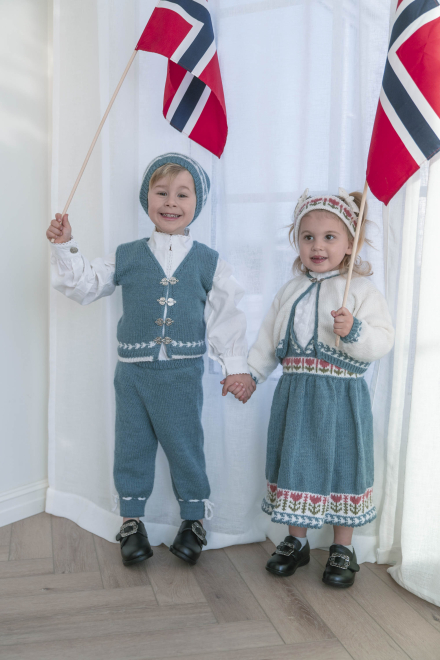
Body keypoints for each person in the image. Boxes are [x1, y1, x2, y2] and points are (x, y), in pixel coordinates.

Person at [47, 153, 255, 567]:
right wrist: (64, 245)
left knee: (184, 445)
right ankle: (131, 522)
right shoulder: (127, 255)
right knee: (132, 445)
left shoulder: (209, 261)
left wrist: (235, 367)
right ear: (147, 199)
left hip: (182, 372)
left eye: (183, 194)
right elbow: (84, 283)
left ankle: (194, 520)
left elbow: (226, 314)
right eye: (161, 192)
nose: (171, 202)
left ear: (198, 203)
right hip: (133, 373)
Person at [247, 188, 394, 587]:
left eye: (330, 237)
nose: (317, 246)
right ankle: (296, 541)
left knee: (345, 464)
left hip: (342, 398)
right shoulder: (290, 291)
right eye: (308, 236)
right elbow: (268, 339)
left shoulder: (360, 291)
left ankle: (343, 547)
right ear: (296, 240)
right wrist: (252, 374)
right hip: (296, 397)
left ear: (350, 244)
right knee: (296, 462)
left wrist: (355, 331)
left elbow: (383, 340)